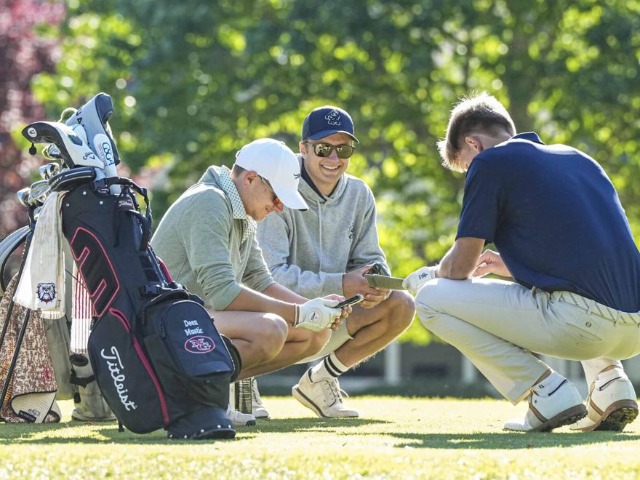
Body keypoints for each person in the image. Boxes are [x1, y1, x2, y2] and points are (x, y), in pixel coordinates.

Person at [405, 92, 640, 432]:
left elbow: (459, 269)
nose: (469, 176)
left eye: (466, 166)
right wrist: (513, 266)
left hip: (581, 326)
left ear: (474, 143)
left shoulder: (489, 162)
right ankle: (611, 385)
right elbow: (589, 255)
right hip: (633, 331)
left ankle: (544, 390)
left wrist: (429, 276)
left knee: (430, 300)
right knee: (578, 297)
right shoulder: (579, 159)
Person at [151, 138, 352, 426]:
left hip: (195, 317)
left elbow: (260, 280)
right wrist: (298, 313)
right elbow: (223, 294)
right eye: (276, 197)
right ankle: (195, 397)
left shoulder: (240, 212)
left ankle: (205, 392)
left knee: (314, 333)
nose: (279, 207)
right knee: (271, 329)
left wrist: (313, 308)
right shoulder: (209, 202)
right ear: (250, 179)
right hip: (167, 323)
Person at [256, 106, 415, 418]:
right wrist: (342, 283)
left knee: (401, 303)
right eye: (323, 148)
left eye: (343, 149)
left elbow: (370, 258)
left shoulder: (359, 193)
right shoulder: (276, 192)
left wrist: (376, 282)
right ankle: (243, 380)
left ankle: (321, 379)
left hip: (333, 315)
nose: (334, 158)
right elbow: (267, 278)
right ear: (303, 149)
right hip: (277, 316)